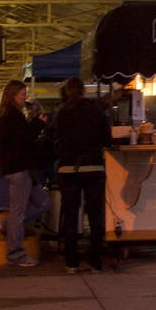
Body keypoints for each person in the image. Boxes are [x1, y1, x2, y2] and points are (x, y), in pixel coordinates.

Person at [52, 77, 112, 274]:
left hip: (68, 169)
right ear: (83, 91)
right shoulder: (96, 111)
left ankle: (71, 262)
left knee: (70, 217)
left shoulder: (61, 113)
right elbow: (107, 140)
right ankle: (95, 261)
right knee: (95, 216)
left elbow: (55, 138)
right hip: (93, 168)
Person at [0, 80, 51, 269]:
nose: (24, 98)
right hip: (19, 170)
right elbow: (24, 139)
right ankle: (16, 255)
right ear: (12, 96)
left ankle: (6, 225)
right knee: (19, 212)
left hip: (18, 169)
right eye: (22, 95)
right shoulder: (12, 116)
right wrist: (38, 123)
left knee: (42, 202)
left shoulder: (5, 115)